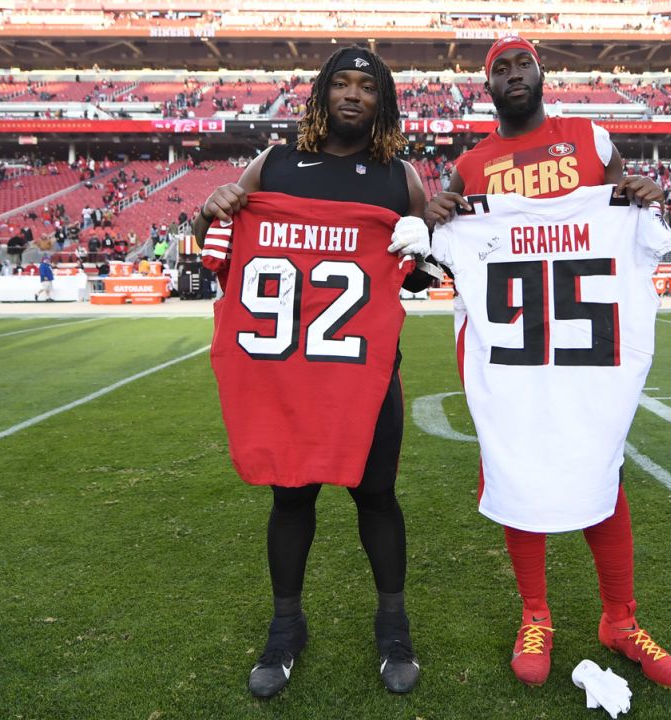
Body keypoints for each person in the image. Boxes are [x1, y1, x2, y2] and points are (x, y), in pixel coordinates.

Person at [424, 35, 671, 691]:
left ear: (542, 74)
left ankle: (620, 620)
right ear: (487, 86)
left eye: (523, 64)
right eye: (500, 69)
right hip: (514, 350)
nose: (513, 75)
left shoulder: (592, 140)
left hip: (583, 345)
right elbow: (434, 262)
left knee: (601, 463)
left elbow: (629, 212)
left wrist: (642, 193)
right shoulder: (470, 166)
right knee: (518, 466)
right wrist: (434, 218)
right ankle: (534, 613)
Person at [191, 44, 434, 699]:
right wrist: (209, 208)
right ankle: (285, 627)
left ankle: (393, 626)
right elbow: (211, 242)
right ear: (322, 93)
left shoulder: (401, 179)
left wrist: (425, 251)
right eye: (342, 84)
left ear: (382, 101)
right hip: (289, 373)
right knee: (290, 495)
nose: (353, 95)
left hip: (365, 375)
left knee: (376, 497)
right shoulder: (272, 165)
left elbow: (426, 276)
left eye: (367, 86)